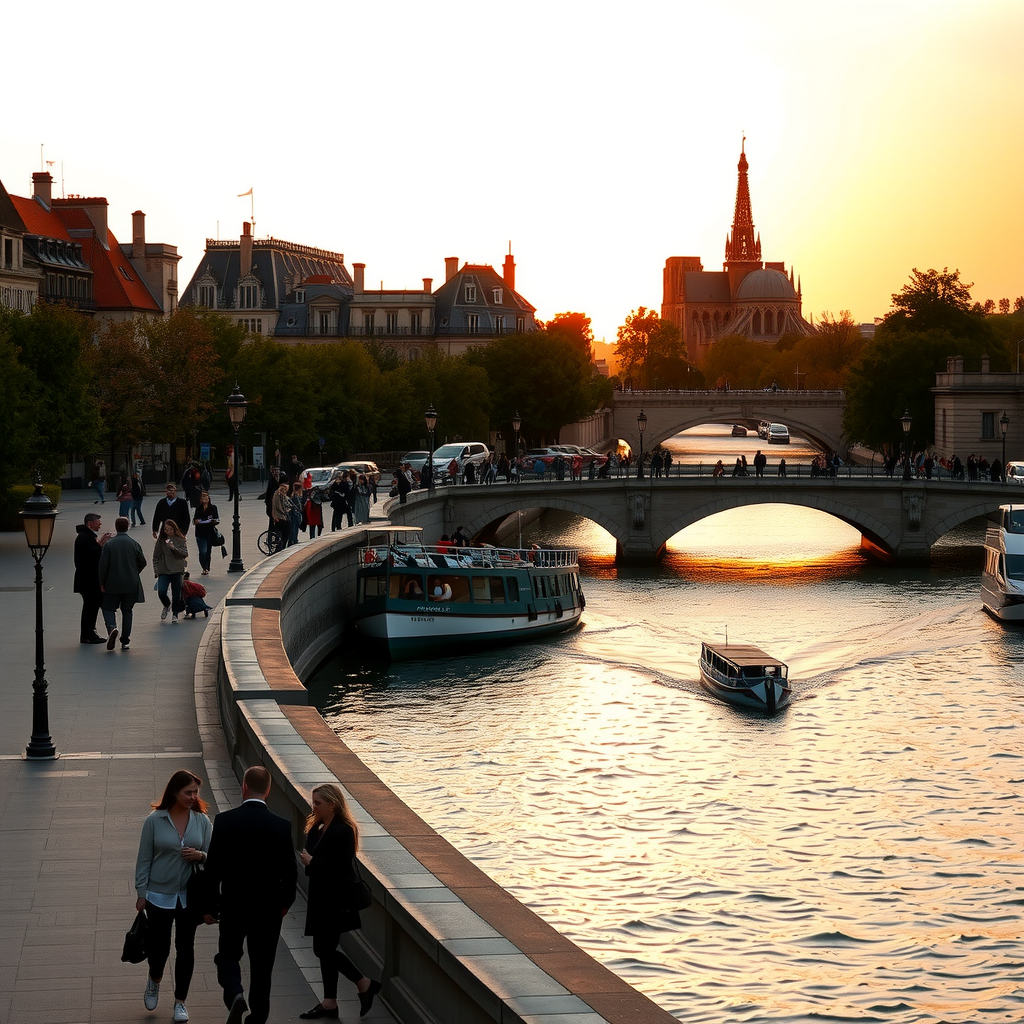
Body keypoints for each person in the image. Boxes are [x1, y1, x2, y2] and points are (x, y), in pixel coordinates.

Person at [204, 765, 297, 1024]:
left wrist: (210, 906)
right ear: (268, 790)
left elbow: (213, 870)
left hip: (233, 905)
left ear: (244, 787)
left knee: (227, 956)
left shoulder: (224, 821)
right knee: (262, 967)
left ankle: (234, 992)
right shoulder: (281, 826)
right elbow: (290, 872)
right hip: (268, 910)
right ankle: (257, 1018)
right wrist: (284, 904)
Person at [134, 770, 213, 1024]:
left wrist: (200, 856)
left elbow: (215, 857)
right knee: (159, 947)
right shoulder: (154, 821)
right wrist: (141, 893)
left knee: (185, 947)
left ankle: (180, 1002)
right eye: (187, 792)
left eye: (195, 793)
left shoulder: (201, 821)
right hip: (159, 894)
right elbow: (144, 859)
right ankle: (154, 979)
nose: (192, 797)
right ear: (174, 793)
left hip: (190, 896)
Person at [298, 784, 382, 1020]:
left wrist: (312, 863)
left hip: (336, 901)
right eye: (313, 802)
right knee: (325, 950)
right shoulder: (317, 827)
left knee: (322, 949)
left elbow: (342, 867)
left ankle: (363, 983)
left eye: (318, 803)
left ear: (332, 804)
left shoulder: (344, 830)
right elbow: (313, 859)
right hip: (320, 898)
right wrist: (311, 862)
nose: (313, 807)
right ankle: (330, 1002)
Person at [98, 516, 147, 650]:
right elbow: (143, 561)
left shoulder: (109, 544)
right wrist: (134, 572)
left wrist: (102, 582)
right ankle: (125, 640)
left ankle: (112, 628)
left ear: (116, 526)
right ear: (128, 526)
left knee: (108, 607)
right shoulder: (133, 543)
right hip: (131, 582)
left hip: (112, 582)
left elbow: (103, 566)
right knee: (127, 611)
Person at [74, 512, 111, 643]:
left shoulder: (85, 537)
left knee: (91, 606)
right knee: (91, 606)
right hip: (89, 581)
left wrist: (99, 543)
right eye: (98, 521)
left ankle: (89, 632)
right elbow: (91, 556)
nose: (100, 524)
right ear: (90, 523)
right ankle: (88, 634)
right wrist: (100, 544)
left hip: (87, 580)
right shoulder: (85, 538)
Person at [154, 520, 189, 624]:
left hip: (177, 569)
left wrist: (174, 548)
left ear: (174, 529)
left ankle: (175, 613)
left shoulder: (180, 539)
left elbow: (185, 554)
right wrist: (156, 569)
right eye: (166, 529)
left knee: (176, 592)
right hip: (164, 569)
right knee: (161, 591)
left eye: (170, 529)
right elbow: (155, 555)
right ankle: (166, 604)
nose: (168, 531)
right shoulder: (161, 540)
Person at [192, 491, 221, 575]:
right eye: (202, 497)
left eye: (206, 497)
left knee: (208, 551)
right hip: (200, 533)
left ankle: (206, 568)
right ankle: (204, 567)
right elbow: (195, 521)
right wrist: (198, 521)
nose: (204, 499)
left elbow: (217, 519)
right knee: (202, 552)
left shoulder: (213, 508)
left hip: (210, 532)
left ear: (209, 499)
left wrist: (213, 521)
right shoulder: (198, 508)